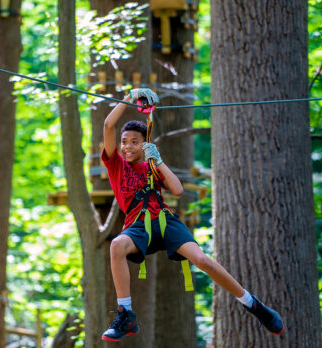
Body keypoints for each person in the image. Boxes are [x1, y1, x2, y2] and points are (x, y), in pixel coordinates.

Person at [100, 88, 284, 342]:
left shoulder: (152, 165)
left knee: (203, 261)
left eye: (134, 142)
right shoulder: (116, 165)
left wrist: (159, 161)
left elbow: (176, 189)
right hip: (138, 225)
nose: (128, 146)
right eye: (124, 142)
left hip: (164, 221)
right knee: (117, 245)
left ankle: (252, 303)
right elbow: (109, 125)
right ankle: (126, 314)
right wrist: (129, 98)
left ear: (145, 144)